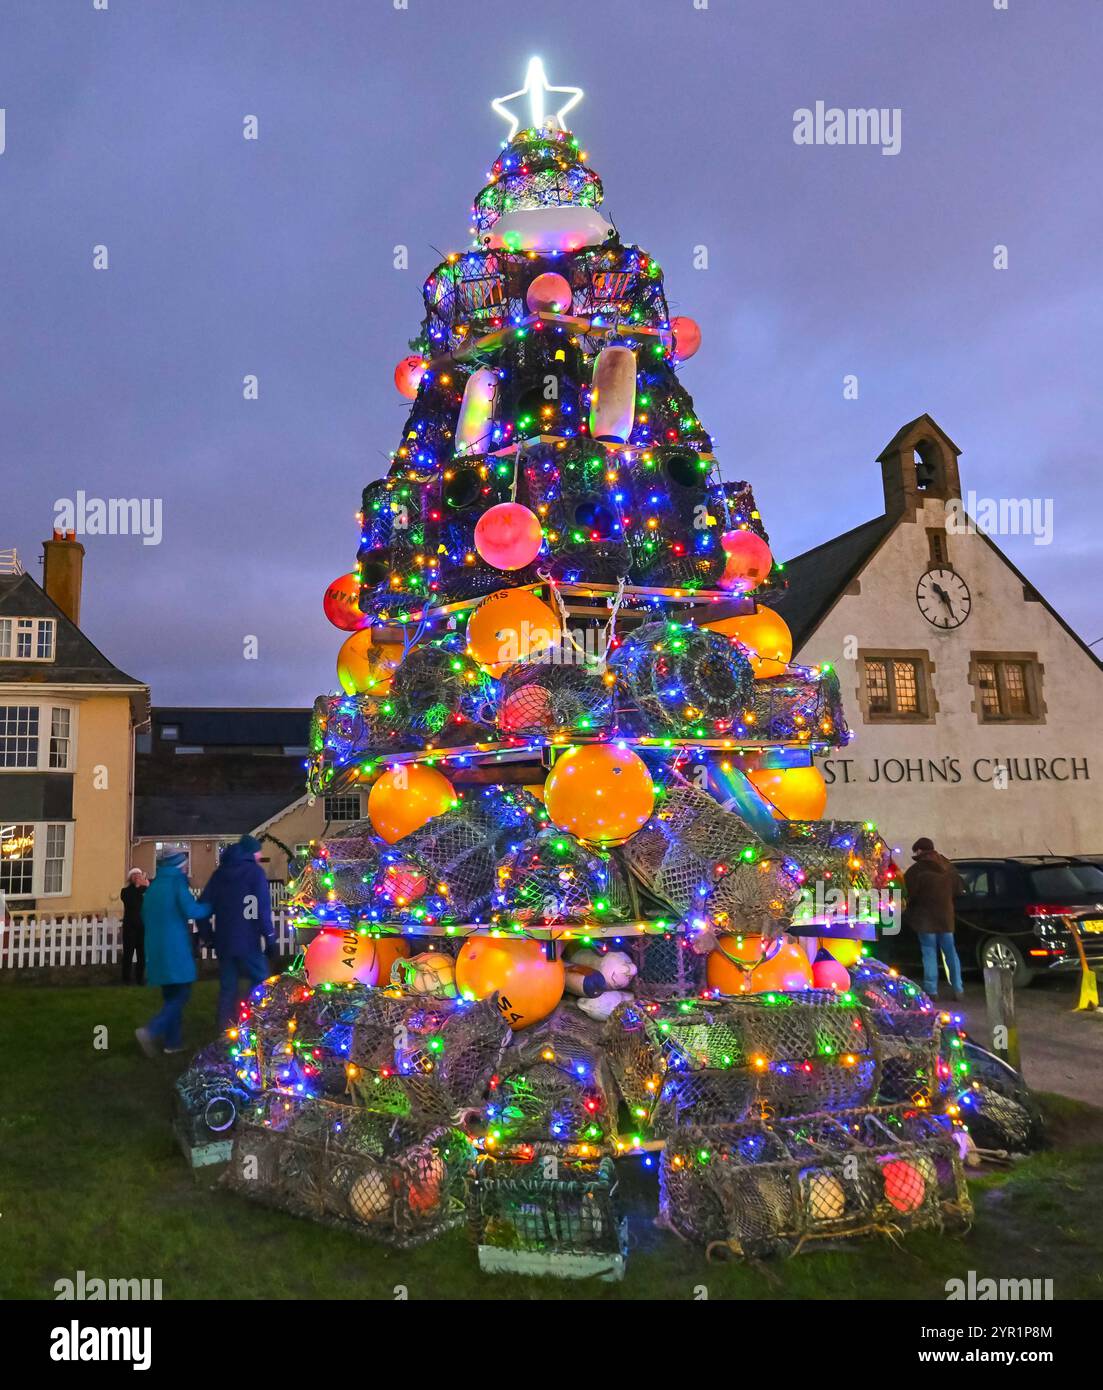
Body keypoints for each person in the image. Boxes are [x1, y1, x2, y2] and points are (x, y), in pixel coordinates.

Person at [135, 852, 213, 1056]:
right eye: (185, 865)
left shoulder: (153, 888)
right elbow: (191, 910)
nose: (186, 868)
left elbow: (144, 915)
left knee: (170, 997)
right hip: (175, 949)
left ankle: (173, 1043)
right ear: (180, 866)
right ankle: (151, 1030)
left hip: (156, 949)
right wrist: (211, 907)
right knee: (181, 995)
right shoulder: (176, 884)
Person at [199, 834, 279, 1031]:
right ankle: (254, 1022)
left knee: (228, 985)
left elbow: (202, 907)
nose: (260, 855)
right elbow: (261, 909)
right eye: (259, 851)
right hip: (248, 939)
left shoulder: (219, 874)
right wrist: (270, 938)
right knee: (261, 980)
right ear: (252, 852)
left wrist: (208, 936)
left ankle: (225, 1028)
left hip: (224, 941)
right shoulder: (255, 873)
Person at [903, 836, 965, 1001]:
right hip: (946, 918)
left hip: (925, 920)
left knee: (929, 952)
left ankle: (932, 990)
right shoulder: (948, 867)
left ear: (919, 851)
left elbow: (910, 895)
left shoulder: (915, 871)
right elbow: (959, 890)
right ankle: (958, 988)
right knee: (950, 953)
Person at [119, 867, 148, 984]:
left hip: (142, 927)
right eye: (135, 876)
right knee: (128, 954)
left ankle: (140, 979)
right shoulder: (125, 891)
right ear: (131, 878)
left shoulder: (145, 890)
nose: (137, 877)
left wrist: (145, 886)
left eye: (139, 875)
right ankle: (126, 979)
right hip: (130, 927)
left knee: (142, 955)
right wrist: (138, 887)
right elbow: (131, 903)